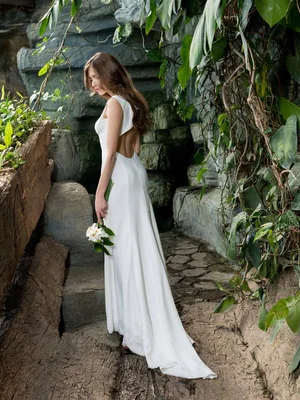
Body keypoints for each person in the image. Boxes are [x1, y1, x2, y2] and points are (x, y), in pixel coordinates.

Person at [84, 52, 217, 380]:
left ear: (110, 72)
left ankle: (140, 330)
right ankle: (137, 326)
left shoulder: (115, 104)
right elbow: (135, 149)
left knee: (128, 252)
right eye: (89, 78)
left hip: (121, 177)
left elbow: (111, 154)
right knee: (133, 249)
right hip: (134, 173)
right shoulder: (132, 101)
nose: (92, 83)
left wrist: (100, 194)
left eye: (96, 76)